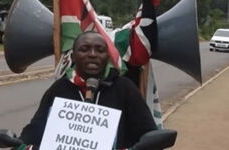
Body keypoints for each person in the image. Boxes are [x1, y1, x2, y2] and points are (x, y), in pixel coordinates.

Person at [18, 31, 157, 149]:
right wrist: (20, 143)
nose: (92, 54)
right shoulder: (58, 89)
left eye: (100, 50)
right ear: (72, 57)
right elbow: (36, 130)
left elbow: (148, 134)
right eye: (84, 49)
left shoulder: (125, 88)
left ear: (107, 57)